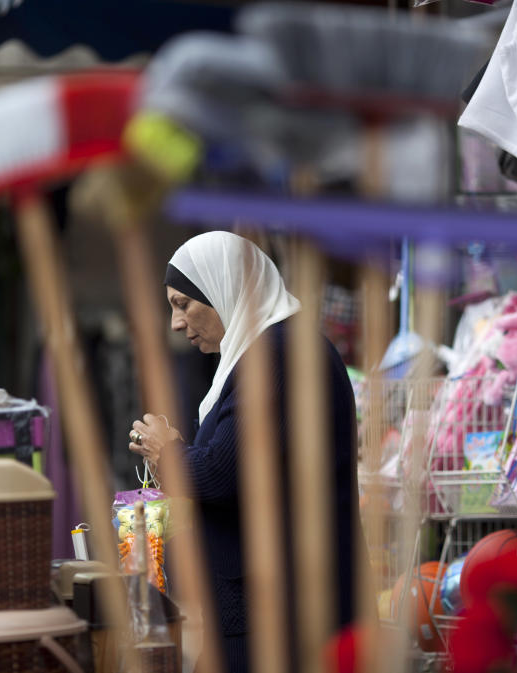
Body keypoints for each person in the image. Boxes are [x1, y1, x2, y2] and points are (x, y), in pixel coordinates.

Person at [128, 231, 360, 673]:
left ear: (223, 289)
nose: (176, 323)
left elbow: (221, 475)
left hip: (282, 614)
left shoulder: (278, 355)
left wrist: (168, 451)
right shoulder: (272, 351)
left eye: (183, 304)